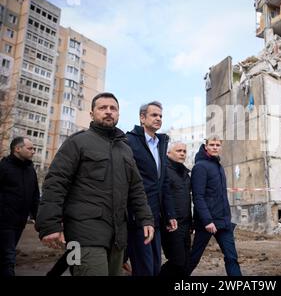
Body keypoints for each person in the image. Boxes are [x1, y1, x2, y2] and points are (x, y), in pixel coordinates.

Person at [36, 92, 154, 276]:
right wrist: (49, 224)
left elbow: (136, 188)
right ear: (92, 114)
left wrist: (146, 218)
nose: (108, 111)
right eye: (102, 108)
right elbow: (56, 182)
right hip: (82, 235)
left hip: (117, 237)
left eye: (113, 108)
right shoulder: (78, 142)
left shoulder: (125, 149)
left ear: (118, 114)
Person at [126, 101, 177, 276]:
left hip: (156, 218)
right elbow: (127, 181)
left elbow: (163, 184)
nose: (158, 119)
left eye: (161, 116)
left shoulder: (161, 144)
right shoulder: (129, 141)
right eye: (154, 115)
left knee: (155, 268)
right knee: (144, 269)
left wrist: (169, 214)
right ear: (142, 118)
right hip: (137, 217)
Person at [188, 136, 242, 276]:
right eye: (212, 144)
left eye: (218, 145)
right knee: (193, 258)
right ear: (206, 146)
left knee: (231, 257)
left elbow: (220, 196)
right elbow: (198, 197)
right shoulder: (200, 167)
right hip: (207, 223)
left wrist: (227, 218)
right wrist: (207, 221)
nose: (215, 147)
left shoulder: (218, 166)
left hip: (223, 223)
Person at [0, 137, 40, 276]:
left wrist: (37, 217)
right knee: (8, 257)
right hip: (4, 221)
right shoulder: (4, 167)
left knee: (6, 255)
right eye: (30, 148)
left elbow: (35, 195)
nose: (33, 151)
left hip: (20, 221)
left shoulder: (30, 170)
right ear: (17, 149)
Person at [160, 142, 192, 277]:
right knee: (177, 262)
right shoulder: (164, 170)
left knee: (185, 263)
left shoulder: (184, 173)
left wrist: (190, 222)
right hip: (172, 224)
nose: (182, 154)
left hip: (185, 224)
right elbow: (162, 196)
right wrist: (168, 217)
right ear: (168, 153)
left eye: (184, 151)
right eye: (179, 151)